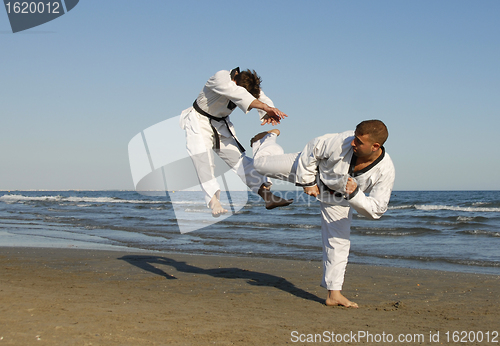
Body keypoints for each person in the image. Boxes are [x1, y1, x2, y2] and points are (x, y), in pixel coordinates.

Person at [251, 120, 395, 307]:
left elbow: (377, 210)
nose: (353, 143)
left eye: (358, 141)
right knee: (260, 165)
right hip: (310, 167)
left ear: (375, 146)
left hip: (338, 198)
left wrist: (355, 195)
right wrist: (308, 181)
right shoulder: (343, 140)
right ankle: (268, 138)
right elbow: (313, 148)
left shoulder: (385, 170)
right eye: (354, 137)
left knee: (339, 243)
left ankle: (334, 294)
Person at [179, 68, 293, 217]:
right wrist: (265, 107)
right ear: (235, 78)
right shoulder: (221, 77)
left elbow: (261, 97)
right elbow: (238, 93)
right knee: (203, 159)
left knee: (239, 161)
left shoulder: (247, 88)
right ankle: (214, 201)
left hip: (221, 124)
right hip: (199, 121)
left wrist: (267, 111)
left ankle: (267, 196)